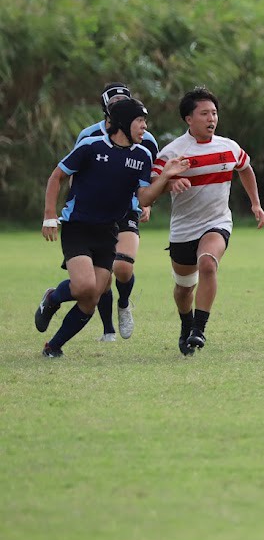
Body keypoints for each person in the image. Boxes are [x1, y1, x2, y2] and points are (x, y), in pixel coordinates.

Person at [35, 97, 189, 357]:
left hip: (108, 231)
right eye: (140, 121)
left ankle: (54, 346)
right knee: (84, 287)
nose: (144, 126)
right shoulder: (90, 146)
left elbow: (143, 198)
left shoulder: (141, 155)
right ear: (124, 123)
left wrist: (164, 177)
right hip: (78, 227)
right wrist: (50, 215)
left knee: (92, 296)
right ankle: (52, 298)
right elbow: (57, 176)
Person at [152, 87, 264, 356]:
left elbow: (245, 168)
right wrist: (170, 182)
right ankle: (186, 324)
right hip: (183, 229)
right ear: (189, 119)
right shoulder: (173, 153)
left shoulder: (228, 147)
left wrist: (255, 203)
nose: (211, 118)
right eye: (204, 113)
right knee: (183, 290)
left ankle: (199, 330)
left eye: (214, 113)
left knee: (208, 263)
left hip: (217, 222)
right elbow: (150, 188)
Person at [56, 83, 161, 342]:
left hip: (127, 209)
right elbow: (74, 174)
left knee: (123, 268)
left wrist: (146, 205)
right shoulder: (89, 137)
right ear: (106, 110)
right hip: (92, 215)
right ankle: (108, 329)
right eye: (114, 105)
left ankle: (124, 304)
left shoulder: (145, 141)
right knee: (96, 280)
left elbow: (151, 178)